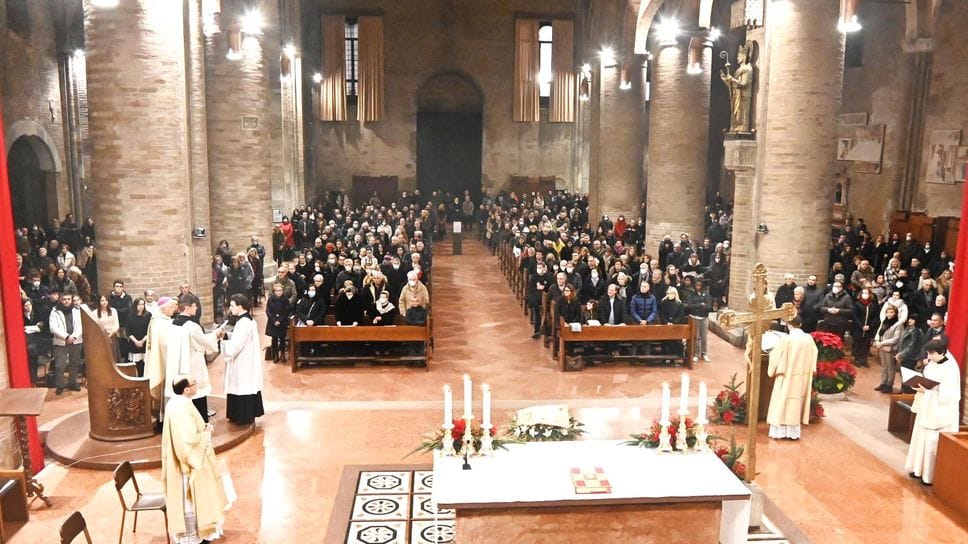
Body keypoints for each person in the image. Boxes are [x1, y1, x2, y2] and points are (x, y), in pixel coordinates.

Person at [161, 376, 231, 544]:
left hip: (187, 463)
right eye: (194, 384)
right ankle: (195, 535)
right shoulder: (180, 409)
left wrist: (204, 428)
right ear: (186, 389)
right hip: (187, 467)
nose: (196, 385)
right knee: (191, 502)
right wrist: (206, 433)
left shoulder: (177, 402)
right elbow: (186, 444)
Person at [904, 338, 962, 486]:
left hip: (940, 412)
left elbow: (949, 396)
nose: (928, 357)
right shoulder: (935, 361)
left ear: (942, 352)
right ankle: (918, 469)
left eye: (931, 354)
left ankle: (929, 476)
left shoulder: (950, 369)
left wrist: (927, 392)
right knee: (920, 437)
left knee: (931, 443)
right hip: (927, 406)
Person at [166, 295, 222, 422]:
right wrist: (216, 335)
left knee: (182, 394)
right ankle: (200, 423)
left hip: (178, 365)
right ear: (187, 307)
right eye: (194, 305)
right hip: (192, 364)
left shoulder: (172, 324)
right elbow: (204, 342)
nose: (196, 307)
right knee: (196, 393)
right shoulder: (192, 326)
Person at [766, 316, 819, 440]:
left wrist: (772, 368)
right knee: (796, 403)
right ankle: (792, 431)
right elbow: (814, 354)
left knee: (783, 401)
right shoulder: (808, 338)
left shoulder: (787, 339)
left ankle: (780, 431)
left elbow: (776, 355)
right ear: (800, 325)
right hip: (801, 377)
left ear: (789, 325)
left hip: (787, 376)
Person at [220, 295, 264, 425]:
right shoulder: (246, 320)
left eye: (232, 305)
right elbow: (239, 338)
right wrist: (227, 335)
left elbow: (235, 346)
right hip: (246, 358)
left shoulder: (243, 323)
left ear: (240, 306)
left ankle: (242, 416)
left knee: (241, 385)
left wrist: (222, 343)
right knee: (244, 385)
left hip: (242, 361)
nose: (230, 308)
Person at [146, 297, 177, 415]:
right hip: (162, 360)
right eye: (170, 307)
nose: (173, 310)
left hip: (161, 357)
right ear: (163, 309)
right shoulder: (160, 322)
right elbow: (164, 343)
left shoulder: (159, 320)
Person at [48, 292, 83, 395]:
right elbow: (53, 327)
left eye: (68, 299)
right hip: (60, 342)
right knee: (60, 365)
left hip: (76, 341)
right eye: (64, 299)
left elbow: (80, 326)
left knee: (75, 364)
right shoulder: (55, 311)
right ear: (60, 300)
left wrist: (74, 336)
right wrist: (66, 336)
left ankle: (73, 382)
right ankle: (60, 385)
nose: (67, 301)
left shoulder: (77, 311)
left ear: (71, 300)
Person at [873, 304, 903, 393]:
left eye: (891, 312)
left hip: (890, 348)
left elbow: (895, 339)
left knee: (891, 367)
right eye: (888, 312)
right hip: (882, 347)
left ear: (895, 313)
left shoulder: (898, 325)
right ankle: (883, 383)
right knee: (884, 366)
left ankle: (889, 385)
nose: (889, 314)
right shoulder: (884, 322)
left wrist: (882, 343)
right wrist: (877, 341)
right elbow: (879, 332)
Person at [265, 283, 291, 363]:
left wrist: (280, 320)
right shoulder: (270, 299)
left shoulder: (285, 299)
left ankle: (282, 354)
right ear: (274, 292)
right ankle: (275, 355)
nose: (279, 292)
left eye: (280, 291)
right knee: (274, 339)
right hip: (273, 322)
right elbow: (268, 311)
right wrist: (274, 320)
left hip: (282, 322)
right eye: (277, 291)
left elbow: (287, 311)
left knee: (282, 338)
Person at [126, 298, 152, 376]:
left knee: (144, 364)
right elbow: (128, 331)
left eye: (142, 304)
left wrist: (143, 340)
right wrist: (136, 341)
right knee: (136, 365)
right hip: (134, 343)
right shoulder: (130, 316)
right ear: (135, 305)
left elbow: (150, 329)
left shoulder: (148, 315)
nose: (141, 306)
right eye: (139, 304)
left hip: (145, 342)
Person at [527, 261, 552, 338]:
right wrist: (538, 288)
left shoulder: (548, 277)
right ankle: (537, 330)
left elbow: (550, 287)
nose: (539, 269)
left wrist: (543, 288)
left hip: (546, 297)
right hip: (535, 297)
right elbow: (530, 288)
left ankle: (546, 330)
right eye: (538, 267)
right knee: (535, 305)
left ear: (544, 268)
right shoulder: (534, 277)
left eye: (540, 267)